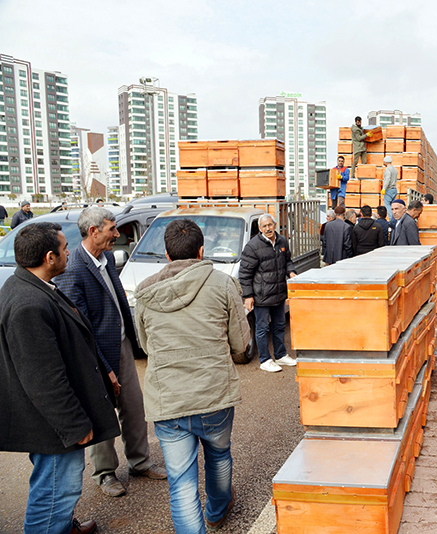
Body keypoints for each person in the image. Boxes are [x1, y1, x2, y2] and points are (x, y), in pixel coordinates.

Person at [0, 222, 120, 534]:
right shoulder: (28, 304)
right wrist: (74, 425)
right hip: (53, 427)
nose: (70, 252)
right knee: (55, 489)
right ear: (50, 257)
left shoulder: (35, 288)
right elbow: (43, 379)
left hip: (52, 423)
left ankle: (63, 525)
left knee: (56, 486)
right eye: (65, 249)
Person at [135, 219, 250, 533]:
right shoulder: (222, 284)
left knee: (182, 483)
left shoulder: (145, 291)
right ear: (202, 250)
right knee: (218, 455)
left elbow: (145, 345)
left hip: (168, 399)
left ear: (168, 255)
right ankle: (217, 510)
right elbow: (241, 343)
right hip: (213, 393)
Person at [55, 207, 167, 497]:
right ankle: (105, 473)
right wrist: (105, 367)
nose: (118, 234)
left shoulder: (105, 258)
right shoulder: (75, 268)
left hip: (121, 347)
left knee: (133, 406)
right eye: (112, 228)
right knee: (102, 413)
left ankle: (140, 462)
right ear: (93, 231)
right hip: (95, 357)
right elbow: (82, 330)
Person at [238, 213, 297, 373]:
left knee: (279, 325)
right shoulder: (253, 246)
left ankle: (280, 355)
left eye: (270, 225)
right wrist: (248, 296)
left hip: (278, 293)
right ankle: (265, 360)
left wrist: (291, 272)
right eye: (264, 226)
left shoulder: (282, 241)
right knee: (262, 328)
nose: (268, 228)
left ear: (275, 224)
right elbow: (244, 273)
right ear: (260, 228)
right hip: (261, 296)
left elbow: (288, 262)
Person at [382, 156, 398, 221]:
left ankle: (392, 220)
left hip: (389, 189)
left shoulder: (388, 169)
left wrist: (384, 188)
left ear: (385, 162)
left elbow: (387, 179)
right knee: (393, 206)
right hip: (394, 189)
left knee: (388, 206)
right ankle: (395, 219)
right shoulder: (394, 169)